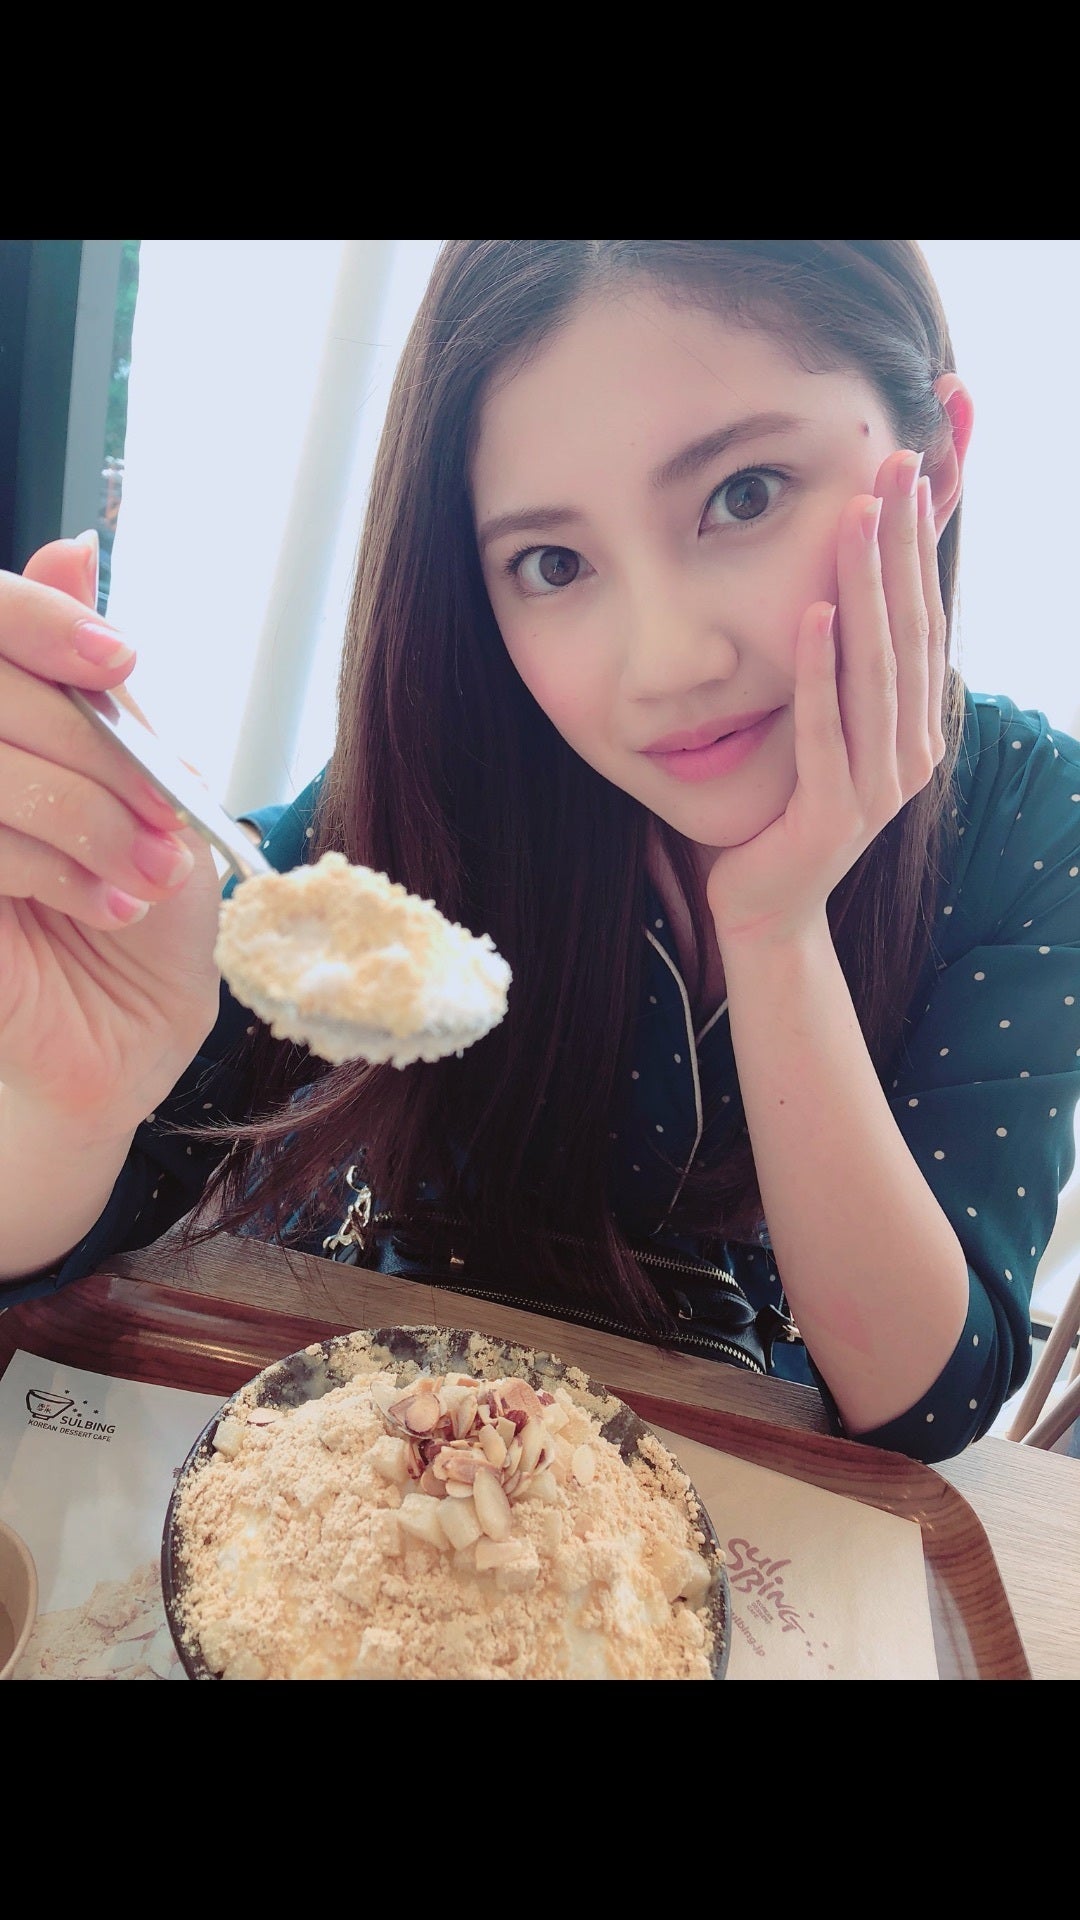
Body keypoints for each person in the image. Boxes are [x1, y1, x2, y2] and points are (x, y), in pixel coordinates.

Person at [1, 240, 1077, 1467]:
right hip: (352, 1467)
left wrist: (775, 927)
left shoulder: (1025, 820)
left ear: (936, 459)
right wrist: (66, 1103)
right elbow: (106, 1194)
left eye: (745, 494)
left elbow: (927, 1400)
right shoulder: (453, 761)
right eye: (553, 564)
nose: (666, 662)